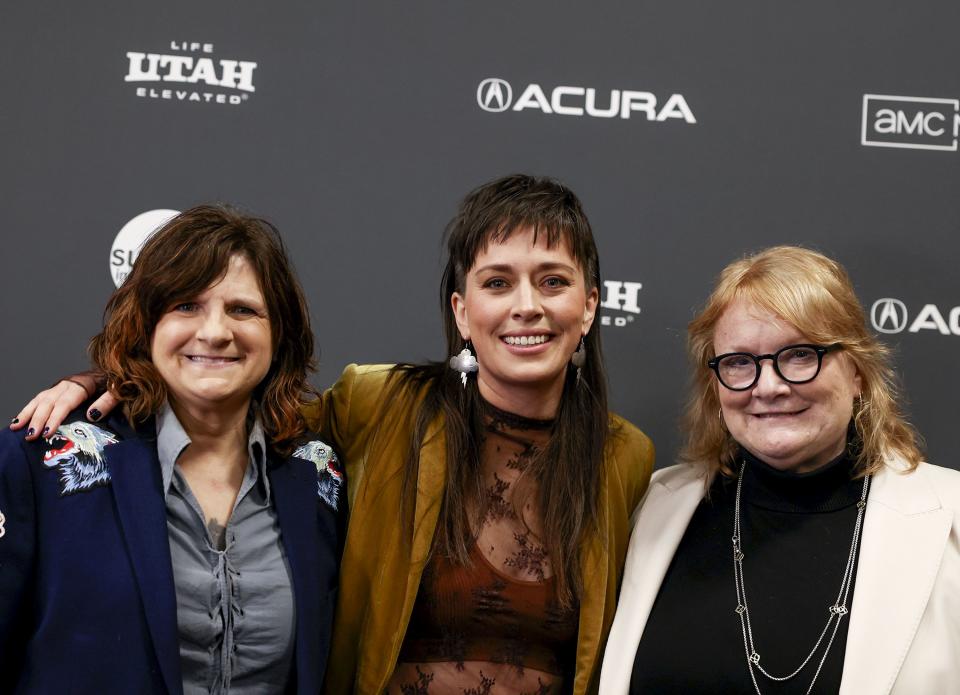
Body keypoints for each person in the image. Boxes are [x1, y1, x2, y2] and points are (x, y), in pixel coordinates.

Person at [11, 175, 656, 694]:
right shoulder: (381, 405)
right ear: (461, 311)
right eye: (496, 282)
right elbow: (232, 399)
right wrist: (109, 377)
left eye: (553, 281)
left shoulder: (624, 458)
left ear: (592, 304)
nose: (527, 306)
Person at [0, 205, 346, 694]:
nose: (215, 332)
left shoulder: (319, 474)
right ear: (145, 324)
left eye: (242, 309)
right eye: (186, 306)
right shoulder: (44, 460)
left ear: (279, 333)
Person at [599, 246, 960, 694]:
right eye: (738, 363)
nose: (768, 387)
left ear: (858, 372)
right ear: (715, 383)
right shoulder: (655, 506)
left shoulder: (950, 520)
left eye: (800, 355)